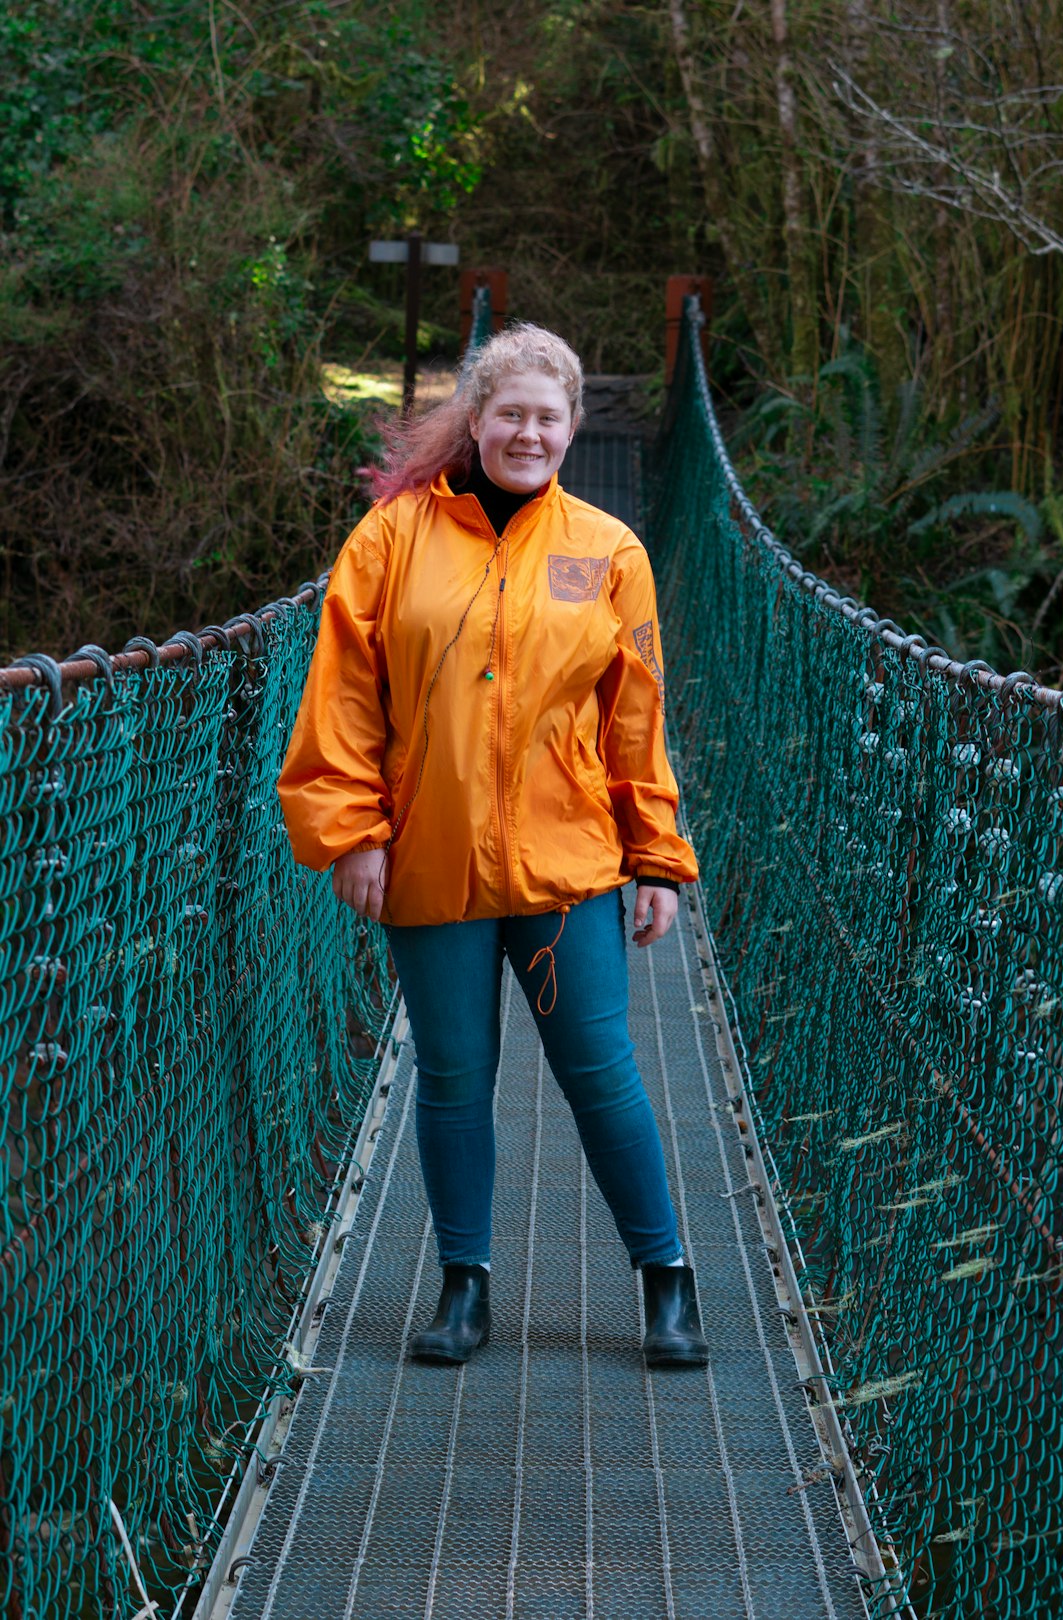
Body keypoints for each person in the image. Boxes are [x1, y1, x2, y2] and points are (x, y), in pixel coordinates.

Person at [277, 323, 707, 1369]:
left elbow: (636, 720)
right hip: (430, 853)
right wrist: (351, 834)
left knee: (601, 1071)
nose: (527, 432)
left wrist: (657, 854)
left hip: (568, 867)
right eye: (508, 413)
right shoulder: (390, 540)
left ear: (572, 426)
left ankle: (669, 1282)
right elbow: (342, 695)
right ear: (475, 420)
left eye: (546, 417)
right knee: (455, 1075)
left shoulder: (610, 552)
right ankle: (463, 1287)